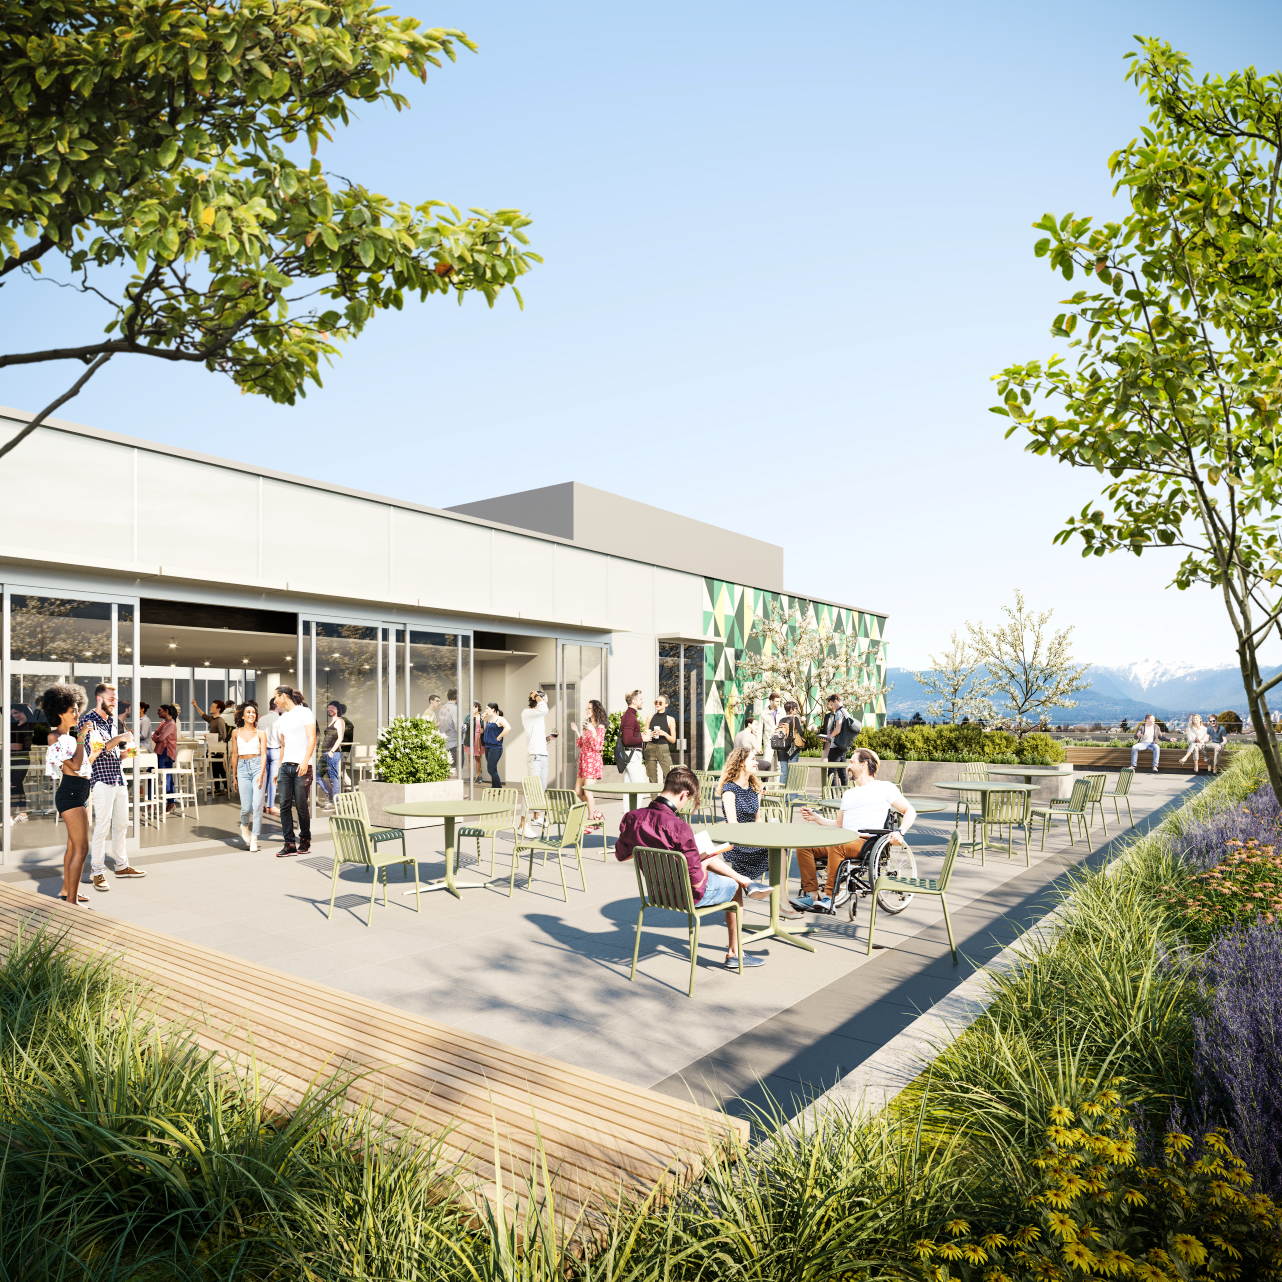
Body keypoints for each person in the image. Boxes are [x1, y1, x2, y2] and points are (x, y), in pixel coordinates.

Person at [614, 764, 770, 971]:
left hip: (656, 894)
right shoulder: (679, 827)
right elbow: (697, 881)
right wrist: (703, 861)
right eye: (688, 799)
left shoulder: (632, 818)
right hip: (686, 895)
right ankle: (735, 952)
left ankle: (746, 881)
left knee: (700, 854)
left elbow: (621, 855)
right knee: (733, 888)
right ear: (684, 794)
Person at [793, 747, 917, 911]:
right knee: (804, 846)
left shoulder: (885, 788)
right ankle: (811, 895)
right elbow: (839, 824)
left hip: (866, 842)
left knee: (836, 845)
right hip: (843, 839)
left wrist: (900, 832)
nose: (848, 766)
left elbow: (910, 811)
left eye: (852, 762)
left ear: (864, 764)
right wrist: (817, 818)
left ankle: (830, 897)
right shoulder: (849, 794)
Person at [79, 682, 146, 892]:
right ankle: (97, 872)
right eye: (111, 699)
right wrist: (120, 739)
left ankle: (121, 865)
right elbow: (98, 749)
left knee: (122, 825)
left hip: (118, 779)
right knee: (102, 828)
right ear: (99, 698)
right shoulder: (89, 721)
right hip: (101, 781)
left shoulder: (111, 723)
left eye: (115, 699)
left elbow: (114, 753)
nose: (114, 702)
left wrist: (129, 753)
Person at [44, 682, 92, 908]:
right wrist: (82, 737)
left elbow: (83, 765)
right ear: (59, 712)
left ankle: (67, 890)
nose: (77, 713)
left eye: (78, 709)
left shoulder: (71, 738)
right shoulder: (55, 737)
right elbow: (73, 766)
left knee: (73, 846)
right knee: (82, 848)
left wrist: (104, 748)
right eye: (72, 709)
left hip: (81, 792)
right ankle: (72, 902)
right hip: (71, 793)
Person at [717, 747, 771, 938]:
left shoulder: (755, 788)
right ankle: (749, 886)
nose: (757, 762)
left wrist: (766, 835)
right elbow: (733, 826)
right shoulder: (729, 790)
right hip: (737, 844)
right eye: (753, 759)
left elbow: (758, 819)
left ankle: (782, 904)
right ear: (741, 763)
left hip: (753, 839)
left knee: (780, 849)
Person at [273, 686, 317, 857]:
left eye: (276, 697)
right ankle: (289, 843)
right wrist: (278, 769)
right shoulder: (281, 718)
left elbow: (312, 737)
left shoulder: (304, 712)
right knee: (284, 805)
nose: (275, 701)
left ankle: (305, 840)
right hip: (285, 767)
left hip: (302, 766)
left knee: (300, 805)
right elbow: (283, 745)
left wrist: (305, 760)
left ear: (284, 696)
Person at [227, 701, 267, 850]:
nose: (251, 714)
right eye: (248, 712)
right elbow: (235, 754)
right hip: (242, 770)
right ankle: (244, 826)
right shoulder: (235, 732)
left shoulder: (261, 733)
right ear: (242, 715)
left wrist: (262, 773)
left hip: (258, 768)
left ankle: (255, 837)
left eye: (254, 712)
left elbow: (264, 755)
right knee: (246, 808)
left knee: (257, 805)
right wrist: (234, 776)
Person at [520, 690, 553, 837]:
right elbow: (543, 708)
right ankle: (522, 825)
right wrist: (537, 696)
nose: (546, 702)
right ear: (537, 699)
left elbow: (535, 736)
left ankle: (535, 817)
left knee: (542, 789)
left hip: (543, 755)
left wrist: (547, 738)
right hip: (534, 757)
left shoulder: (539, 716)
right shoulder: (527, 713)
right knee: (530, 791)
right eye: (544, 699)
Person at [571, 698, 608, 823]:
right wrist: (577, 731)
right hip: (583, 761)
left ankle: (591, 821)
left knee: (587, 792)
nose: (587, 711)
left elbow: (597, 746)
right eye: (586, 709)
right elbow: (581, 744)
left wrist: (593, 732)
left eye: (589, 709)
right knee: (577, 791)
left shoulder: (600, 727)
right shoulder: (588, 725)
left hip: (592, 761)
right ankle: (596, 813)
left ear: (595, 710)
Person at [192, 697, 232, 794]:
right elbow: (204, 716)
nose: (210, 707)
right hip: (212, 748)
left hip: (218, 748)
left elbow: (223, 736)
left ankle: (227, 788)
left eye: (212, 706)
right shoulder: (212, 719)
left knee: (219, 768)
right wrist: (196, 706)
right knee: (214, 768)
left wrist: (209, 736)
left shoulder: (220, 720)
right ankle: (217, 788)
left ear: (218, 709)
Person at [821, 693, 858, 788]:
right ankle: (844, 794)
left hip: (836, 746)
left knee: (832, 772)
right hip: (843, 746)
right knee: (842, 772)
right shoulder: (845, 711)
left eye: (832, 704)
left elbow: (837, 730)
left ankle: (833, 796)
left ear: (836, 701)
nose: (832, 706)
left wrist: (829, 736)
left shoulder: (839, 712)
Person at [619, 689, 650, 802]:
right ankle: (634, 816)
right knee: (639, 788)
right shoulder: (630, 717)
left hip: (631, 755)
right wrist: (643, 739)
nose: (642, 701)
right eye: (640, 699)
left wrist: (641, 735)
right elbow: (627, 740)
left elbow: (629, 736)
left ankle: (629, 816)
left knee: (629, 789)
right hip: (632, 756)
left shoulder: (629, 715)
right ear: (633, 701)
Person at [644, 695, 677, 786]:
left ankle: (668, 799)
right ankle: (654, 800)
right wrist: (650, 734)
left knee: (670, 776)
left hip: (663, 748)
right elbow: (644, 735)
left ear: (666, 704)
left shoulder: (670, 719)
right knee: (652, 778)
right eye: (656, 702)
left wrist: (664, 733)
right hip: (650, 747)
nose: (657, 704)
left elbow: (673, 740)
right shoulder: (650, 717)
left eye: (660, 702)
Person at [319, 701, 346, 809]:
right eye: (328, 708)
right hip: (325, 752)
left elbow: (340, 738)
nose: (329, 710)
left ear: (338, 709)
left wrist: (332, 751)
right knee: (317, 776)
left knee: (333, 777)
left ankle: (334, 801)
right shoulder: (331, 721)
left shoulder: (339, 721)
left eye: (332, 708)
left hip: (332, 753)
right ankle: (332, 796)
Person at [153, 703, 179, 812]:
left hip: (166, 753)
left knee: (167, 779)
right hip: (160, 752)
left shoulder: (171, 724)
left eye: (160, 710)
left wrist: (157, 737)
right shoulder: (163, 722)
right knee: (152, 774)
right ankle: (153, 804)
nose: (158, 712)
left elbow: (161, 737)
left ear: (166, 711)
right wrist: (157, 737)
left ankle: (170, 803)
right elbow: (156, 734)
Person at [772, 699, 804, 789]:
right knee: (793, 772)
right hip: (792, 748)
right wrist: (802, 723)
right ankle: (792, 797)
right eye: (796, 708)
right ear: (792, 709)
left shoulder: (781, 720)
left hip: (781, 747)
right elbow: (800, 733)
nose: (797, 710)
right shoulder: (795, 719)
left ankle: (783, 796)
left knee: (783, 772)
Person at [260, 696, 281, 814]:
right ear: (277, 706)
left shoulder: (261, 719)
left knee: (263, 778)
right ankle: (270, 805)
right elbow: (281, 737)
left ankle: (262, 804)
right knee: (273, 779)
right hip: (275, 750)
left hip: (263, 751)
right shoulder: (279, 719)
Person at [482, 702, 507, 788]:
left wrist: (500, 736)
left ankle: (499, 788)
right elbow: (486, 730)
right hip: (488, 747)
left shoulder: (499, 719)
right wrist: (485, 721)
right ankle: (494, 788)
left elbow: (508, 728)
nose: (486, 710)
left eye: (487, 708)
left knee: (491, 770)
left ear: (493, 710)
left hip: (495, 748)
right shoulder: (490, 719)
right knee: (493, 769)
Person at [762, 691, 785, 773]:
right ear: (771, 701)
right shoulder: (763, 713)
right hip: (768, 742)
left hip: (780, 742)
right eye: (777, 701)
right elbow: (759, 730)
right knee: (765, 764)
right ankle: (765, 786)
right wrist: (758, 746)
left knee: (778, 767)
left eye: (779, 701)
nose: (779, 703)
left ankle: (776, 786)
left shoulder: (782, 712)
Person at [465, 700, 484, 784]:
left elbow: (484, 727)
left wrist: (483, 730)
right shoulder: (468, 716)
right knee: (470, 758)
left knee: (478, 758)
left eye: (475, 706)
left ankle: (477, 776)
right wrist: (471, 717)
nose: (474, 708)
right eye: (472, 706)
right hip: (470, 739)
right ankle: (469, 777)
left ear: (478, 707)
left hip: (479, 739)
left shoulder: (481, 716)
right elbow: (465, 725)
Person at [441, 687, 459, 775]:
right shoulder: (454, 709)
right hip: (452, 743)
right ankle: (454, 788)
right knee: (453, 768)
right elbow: (457, 727)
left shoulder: (442, 708)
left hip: (444, 742)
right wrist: (464, 728)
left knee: (446, 767)